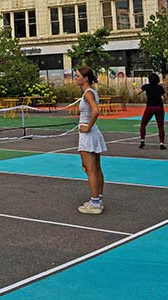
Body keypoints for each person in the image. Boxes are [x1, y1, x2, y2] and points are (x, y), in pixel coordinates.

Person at [74, 66, 107, 215]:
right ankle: (97, 199)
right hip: (92, 133)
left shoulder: (88, 93)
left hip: (88, 134)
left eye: (78, 76)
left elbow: (96, 111)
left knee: (90, 170)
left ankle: (94, 203)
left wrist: (87, 127)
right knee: (96, 168)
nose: (76, 78)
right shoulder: (90, 92)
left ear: (85, 78)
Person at [136, 73, 167, 150]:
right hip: (159, 107)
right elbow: (164, 97)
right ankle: (161, 143)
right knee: (160, 126)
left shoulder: (146, 86)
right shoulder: (160, 88)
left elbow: (137, 92)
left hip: (150, 107)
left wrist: (135, 87)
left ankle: (142, 140)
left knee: (143, 124)